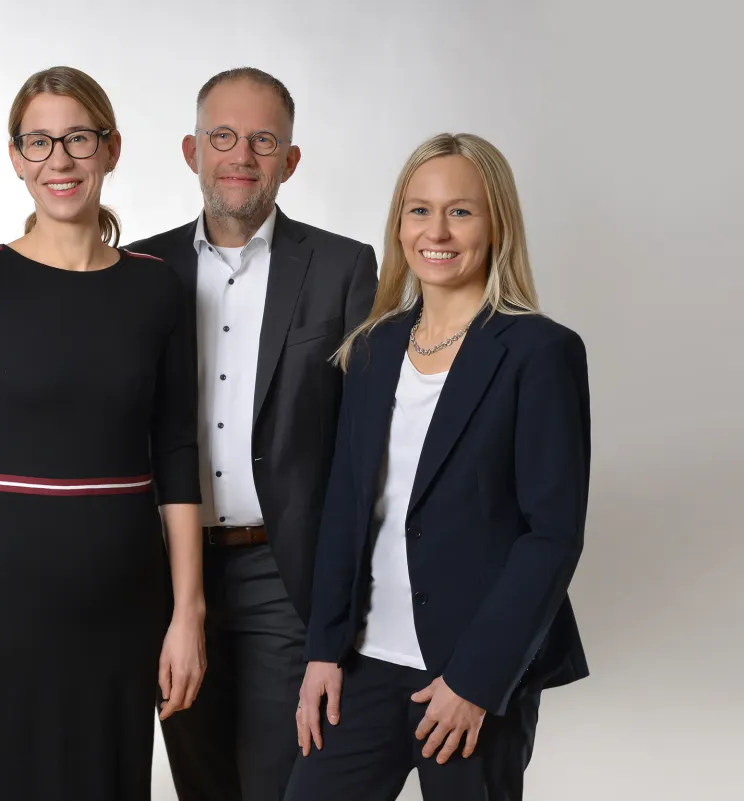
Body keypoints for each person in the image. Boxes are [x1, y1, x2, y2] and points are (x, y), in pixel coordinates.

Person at [0, 65, 206, 801]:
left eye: (77, 137)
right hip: (0, 604)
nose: (60, 160)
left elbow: (176, 454)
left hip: (123, 601)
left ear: (111, 148)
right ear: (15, 158)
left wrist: (188, 612)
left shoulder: (155, 285)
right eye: (38, 142)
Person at [286, 132, 591, 801]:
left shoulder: (539, 352)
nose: (437, 231)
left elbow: (552, 533)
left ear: (496, 223)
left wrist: (477, 682)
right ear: (399, 225)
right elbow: (345, 508)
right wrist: (322, 651)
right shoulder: (371, 348)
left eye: (461, 211)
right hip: (363, 665)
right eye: (419, 209)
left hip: (467, 672)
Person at [125, 67, 378, 801]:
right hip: (166, 571)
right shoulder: (138, 269)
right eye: (223, 137)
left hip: (284, 568)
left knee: (278, 779)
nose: (241, 155)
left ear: (290, 159)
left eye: (263, 140)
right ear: (190, 150)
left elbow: (368, 441)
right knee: (200, 776)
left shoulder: (342, 267)